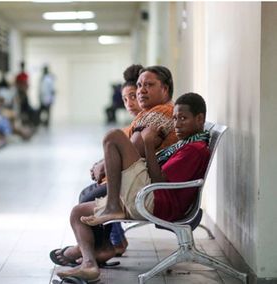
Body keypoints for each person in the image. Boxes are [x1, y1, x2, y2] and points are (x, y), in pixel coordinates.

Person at [57, 93, 211, 281]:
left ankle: (113, 206)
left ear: (200, 119)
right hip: (152, 196)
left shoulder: (194, 149)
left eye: (183, 118)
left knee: (113, 137)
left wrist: (147, 143)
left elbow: (158, 179)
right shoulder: (186, 143)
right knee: (77, 213)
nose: (177, 123)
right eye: (176, 118)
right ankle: (89, 264)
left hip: (157, 201)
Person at [51, 64, 144, 267]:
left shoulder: (147, 123)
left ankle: (99, 247)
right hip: (130, 180)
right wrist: (102, 163)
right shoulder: (137, 123)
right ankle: (110, 242)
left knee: (87, 198)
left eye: (133, 96)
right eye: (125, 98)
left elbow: (132, 153)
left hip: (137, 185)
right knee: (91, 193)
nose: (129, 103)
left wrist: (104, 164)